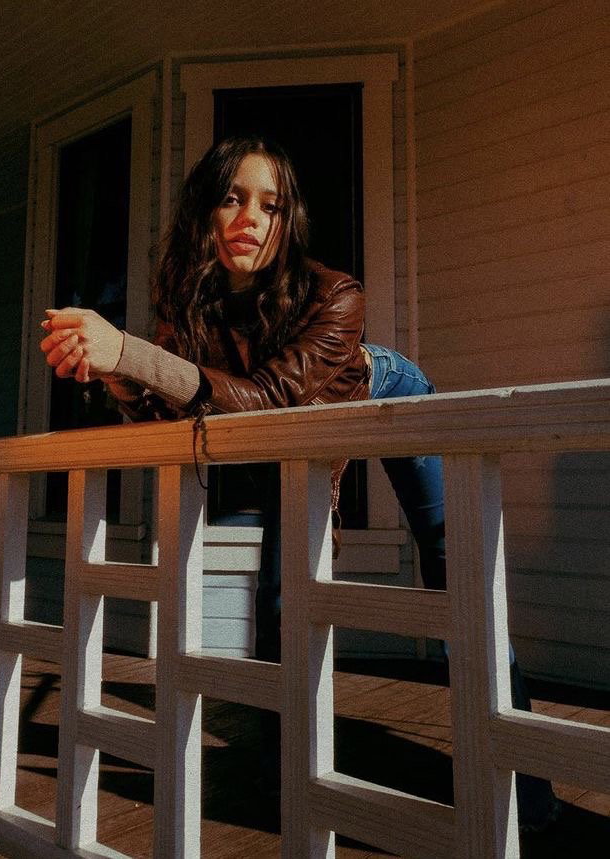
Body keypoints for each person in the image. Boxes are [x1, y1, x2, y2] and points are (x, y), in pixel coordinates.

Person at [40, 135, 559, 831]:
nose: (250, 218)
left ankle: (527, 796)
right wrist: (115, 373)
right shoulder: (191, 303)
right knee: (282, 596)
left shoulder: (336, 294)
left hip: (378, 391)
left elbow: (269, 402)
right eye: (232, 198)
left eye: (270, 204)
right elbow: (174, 408)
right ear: (204, 211)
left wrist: (131, 353)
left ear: (288, 220)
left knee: (456, 574)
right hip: (292, 436)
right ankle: (290, 779)